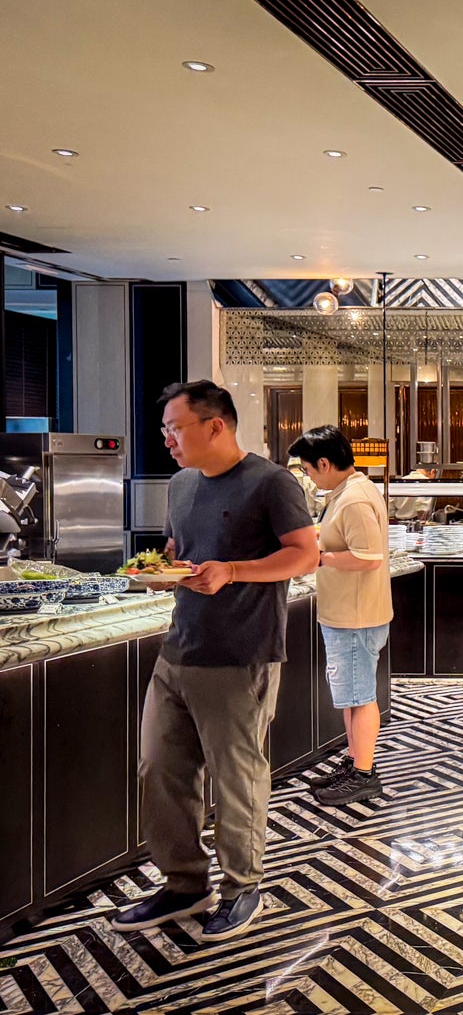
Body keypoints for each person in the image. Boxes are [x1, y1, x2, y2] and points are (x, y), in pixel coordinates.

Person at [112, 380, 319, 942]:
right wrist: (164, 570)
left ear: (215, 425)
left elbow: (305, 555)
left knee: (236, 778)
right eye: (164, 430)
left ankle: (242, 887)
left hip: (240, 654)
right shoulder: (180, 485)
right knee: (160, 769)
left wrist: (234, 570)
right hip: (179, 648)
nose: (168, 441)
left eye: (175, 429)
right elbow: (180, 552)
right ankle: (184, 882)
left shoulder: (271, 482)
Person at [288, 425, 392, 807]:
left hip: (356, 615)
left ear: (325, 463)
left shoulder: (354, 499)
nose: (310, 477)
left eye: (309, 470)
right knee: (351, 695)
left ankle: (363, 775)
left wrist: (320, 558)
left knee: (360, 697)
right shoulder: (347, 492)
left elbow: (368, 557)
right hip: (347, 612)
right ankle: (354, 761)